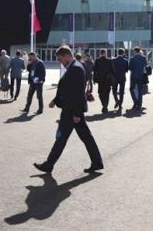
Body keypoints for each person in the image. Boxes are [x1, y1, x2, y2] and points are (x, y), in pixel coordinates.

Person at [33, 45, 103, 174]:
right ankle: (97, 162)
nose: (60, 62)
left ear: (66, 56)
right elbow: (65, 87)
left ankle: (49, 164)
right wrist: (56, 100)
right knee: (83, 137)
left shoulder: (76, 68)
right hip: (71, 110)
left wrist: (77, 113)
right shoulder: (73, 67)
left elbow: (77, 93)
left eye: (60, 59)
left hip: (72, 111)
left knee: (63, 138)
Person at [93, 49, 116, 113]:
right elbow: (113, 70)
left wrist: (94, 79)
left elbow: (94, 70)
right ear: (105, 53)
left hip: (100, 80)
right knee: (107, 94)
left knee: (100, 93)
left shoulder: (97, 60)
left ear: (100, 53)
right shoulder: (109, 60)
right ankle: (105, 106)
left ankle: (104, 105)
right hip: (107, 80)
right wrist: (114, 79)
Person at [128, 46, 147, 112]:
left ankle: (135, 102)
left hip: (133, 76)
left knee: (131, 89)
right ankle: (139, 104)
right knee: (140, 90)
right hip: (141, 76)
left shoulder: (132, 58)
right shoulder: (143, 58)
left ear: (135, 51)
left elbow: (130, 68)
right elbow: (145, 65)